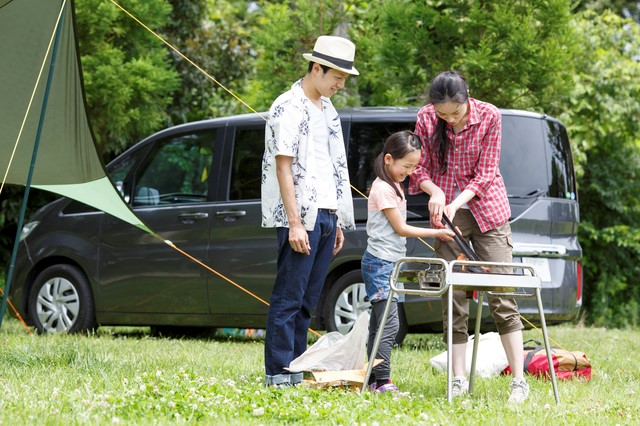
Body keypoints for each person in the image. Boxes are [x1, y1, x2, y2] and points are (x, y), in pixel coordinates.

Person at [408, 70, 530, 403]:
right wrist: (433, 192)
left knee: (501, 294)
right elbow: (418, 169)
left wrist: (453, 202)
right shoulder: (425, 118)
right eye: (442, 114)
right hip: (445, 213)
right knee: (454, 296)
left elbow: (486, 173)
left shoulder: (490, 115)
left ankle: (519, 381)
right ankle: (458, 379)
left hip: (487, 213)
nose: (449, 120)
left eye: (455, 113)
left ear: (467, 99)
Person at [261, 35, 359, 387]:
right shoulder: (287, 106)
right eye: (337, 76)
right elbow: (283, 167)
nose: (340, 84)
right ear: (316, 68)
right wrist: (294, 223)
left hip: (327, 214)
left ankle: (296, 369)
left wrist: (338, 221)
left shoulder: (328, 110)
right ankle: (277, 373)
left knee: (308, 301)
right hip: (300, 217)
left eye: (345, 79)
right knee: (288, 296)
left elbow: (332, 167)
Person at [362, 130, 454, 393]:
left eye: (415, 166)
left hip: (391, 263)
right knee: (389, 324)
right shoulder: (383, 188)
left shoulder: (394, 185)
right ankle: (383, 382)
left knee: (379, 324)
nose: (412, 172)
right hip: (381, 263)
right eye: (407, 166)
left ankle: (372, 379)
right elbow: (401, 229)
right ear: (389, 159)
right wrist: (436, 232)